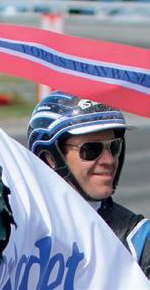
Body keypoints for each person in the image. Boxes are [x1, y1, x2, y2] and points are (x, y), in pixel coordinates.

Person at [28, 91, 150, 277]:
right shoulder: (17, 229)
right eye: (91, 149)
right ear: (49, 158)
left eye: (114, 147)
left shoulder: (139, 240)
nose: (109, 160)